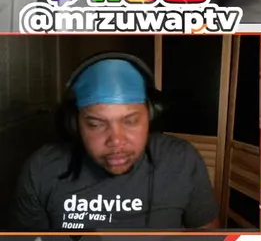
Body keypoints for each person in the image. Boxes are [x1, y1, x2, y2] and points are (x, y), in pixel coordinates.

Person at [7, 54, 219, 232]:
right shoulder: (42, 169)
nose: (116, 141)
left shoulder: (181, 160)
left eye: (130, 121)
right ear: (74, 124)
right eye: (95, 124)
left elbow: (208, 234)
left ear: (151, 116)